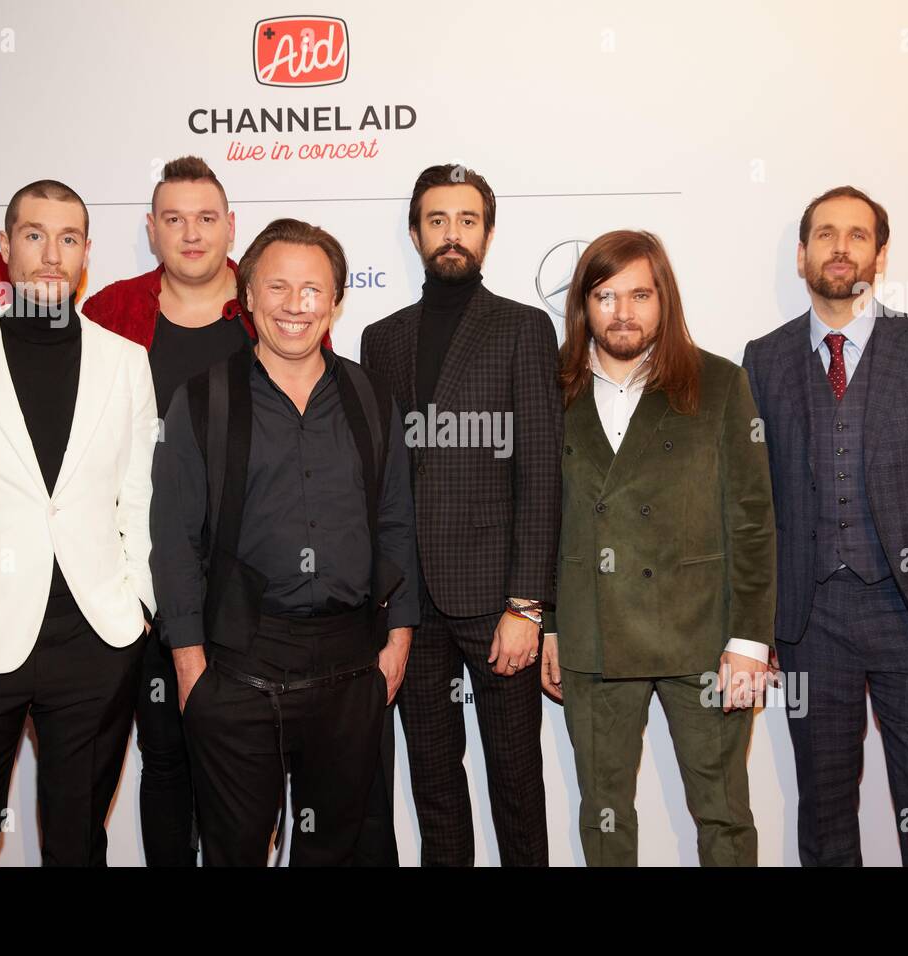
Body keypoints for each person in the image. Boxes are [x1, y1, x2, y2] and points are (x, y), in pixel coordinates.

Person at [0, 179, 157, 865]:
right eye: (35, 235)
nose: (50, 254)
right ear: (6, 247)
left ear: (85, 254)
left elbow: (139, 501)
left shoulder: (127, 364)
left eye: (67, 238)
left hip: (96, 642)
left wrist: (138, 609)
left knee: (76, 845)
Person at [742, 185, 908, 866]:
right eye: (825, 234)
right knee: (824, 812)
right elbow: (752, 500)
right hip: (810, 620)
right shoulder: (763, 358)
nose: (840, 248)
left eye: (857, 235)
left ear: (879, 255)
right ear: (802, 255)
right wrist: (758, 618)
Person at [151, 218, 419, 865]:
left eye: (311, 290)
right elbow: (174, 538)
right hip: (239, 664)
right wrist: (190, 669)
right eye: (277, 287)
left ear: (334, 301)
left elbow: (396, 522)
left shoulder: (370, 396)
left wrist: (399, 639)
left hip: (352, 664)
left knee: (335, 853)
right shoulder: (203, 400)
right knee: (236, 852)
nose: (295, 306)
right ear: (248, 296)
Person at [541, 229, 775, 866]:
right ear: (583, 306)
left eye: (639, 294)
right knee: (604, 817)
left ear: (663, 299)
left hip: (702, 633)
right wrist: (552, 624)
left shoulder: (720, 384)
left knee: (724, 814)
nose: (623, 312)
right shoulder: (550, 389)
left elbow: (752, 519)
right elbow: (541, 519)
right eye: (606, 295)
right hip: (593, 632)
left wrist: (750, 640)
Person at [360, 164, 561, 866]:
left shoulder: (523, 328)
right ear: (415, 233)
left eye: (467, 220)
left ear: (489, 233)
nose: (452, 234)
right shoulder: (380, 340)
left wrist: (528, 605)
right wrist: (388, 606)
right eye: (438, 220)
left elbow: (541, 471)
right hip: (411, 605)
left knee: (516, 784)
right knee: (434, 786)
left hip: (495, 603)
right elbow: (381, 482)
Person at [83, 155, 248, 866]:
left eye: (206, 219)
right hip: (144, 578)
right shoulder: (111, 313)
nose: (191, 234)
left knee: (247, 763)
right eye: (174, 220)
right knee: (166, 757)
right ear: (151, 230)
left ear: (230, 227)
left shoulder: (271, 303)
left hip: (254, 581)